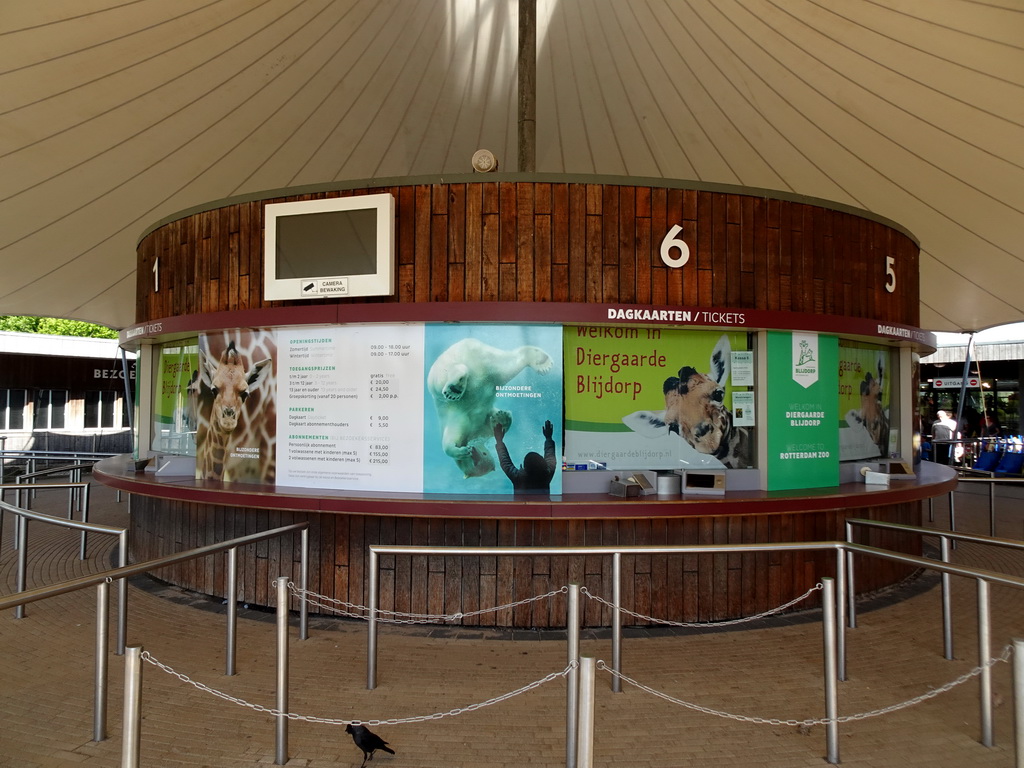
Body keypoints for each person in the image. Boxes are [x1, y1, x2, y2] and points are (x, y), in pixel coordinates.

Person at [493, 419, 557, 491]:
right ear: (543, 464)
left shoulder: (518, 477)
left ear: (525, 466)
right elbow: (550, 455)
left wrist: (499, 441)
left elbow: (504, 460)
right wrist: (548, 438)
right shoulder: (547, 475)